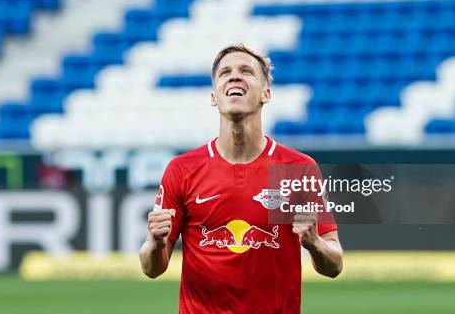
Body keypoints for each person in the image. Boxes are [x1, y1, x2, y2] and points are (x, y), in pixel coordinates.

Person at [139, 44, 343, 314]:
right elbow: (152, 268)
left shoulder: (297, 169)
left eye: (246, 71)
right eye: (225, 73)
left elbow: (335, 264)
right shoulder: (182, 169)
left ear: (266, 93)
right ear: (214, 96)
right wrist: (155, 243)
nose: (234, 77)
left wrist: (315, 243)